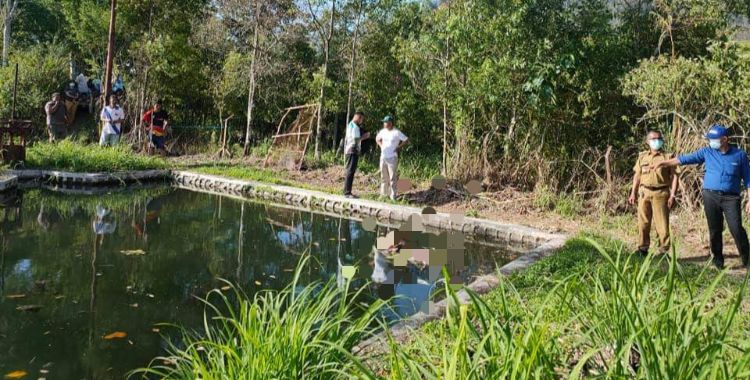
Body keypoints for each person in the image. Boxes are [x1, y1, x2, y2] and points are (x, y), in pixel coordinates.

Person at [652, 124, 750, 269]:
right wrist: (663, 163)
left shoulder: (739, 155)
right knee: (715, 229)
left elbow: (748, 179)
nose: (711, 142)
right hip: (710, 196)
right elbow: (684, 159)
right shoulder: (707, 152)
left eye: (713, 139)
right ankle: (718, 260)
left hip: (731, 198)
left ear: (724, 139)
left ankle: (746, 258)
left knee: (736, 228)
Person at [628, 130, 679, 256]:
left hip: (661, 193)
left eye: (659, 138)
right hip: (644, 192)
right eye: (653, 139)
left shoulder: (668, 157)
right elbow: (637, 176)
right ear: (647, 141)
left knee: (662, 224)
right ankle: (642, 249)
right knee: (643, 222)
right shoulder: (642, 157)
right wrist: (633, 193)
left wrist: (673, 195)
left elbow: (675, 177)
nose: (657, 141)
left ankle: (663, 251)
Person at [375, 116, 409, 200]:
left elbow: (406, 140)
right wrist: (381, 145)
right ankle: (383, 194)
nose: (384, 124)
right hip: (383, 157)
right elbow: (377, 138)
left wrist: (398, 147)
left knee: (392, 177)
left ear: (390, 123)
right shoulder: (382, 131)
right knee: (383, 177)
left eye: (385, 122)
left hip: (392, 158)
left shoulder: (396, 132)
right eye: (384, 122)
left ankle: (393, 195)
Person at [343, 111, 370, 198]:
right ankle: (347, 193)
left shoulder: (351, 125)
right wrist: (365, 136)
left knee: (350, 171)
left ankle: (347, 191)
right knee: (350, 171)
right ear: (358, 117)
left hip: (350, 150)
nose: (362, 121)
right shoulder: (354, 127)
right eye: (362, 119)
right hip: (353, 150)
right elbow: (356, 140)